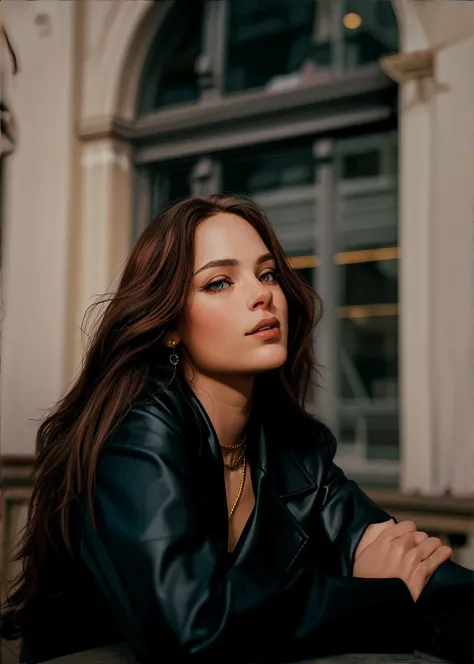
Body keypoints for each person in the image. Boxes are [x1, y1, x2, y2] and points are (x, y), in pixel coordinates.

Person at [1, 195, 472, 664]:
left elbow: (417, 571)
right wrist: (382, 595)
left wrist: (402, 585)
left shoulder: (294, 448)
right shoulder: (136, 432)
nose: (261, 294)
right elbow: (191, 629)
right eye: (219, 282)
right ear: (170, 325)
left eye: (267, 274)